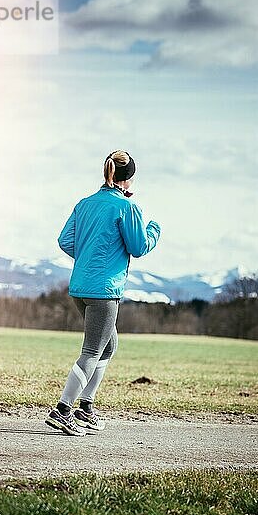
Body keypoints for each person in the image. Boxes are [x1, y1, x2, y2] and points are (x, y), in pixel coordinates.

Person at [45, 150, 161, 436]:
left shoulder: (84, 204)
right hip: (104, 290)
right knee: (91, 351)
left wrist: (87, 258)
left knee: (108, 346)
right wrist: (154, 229)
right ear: (128, 179)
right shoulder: (126, 207)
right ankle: (62, 410)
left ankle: (86, 407)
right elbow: (139, 246)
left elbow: (65, 241)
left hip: (80, 288)